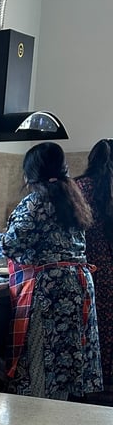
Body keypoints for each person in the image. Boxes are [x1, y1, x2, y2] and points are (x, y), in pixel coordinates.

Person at [0, 141, 102, 400]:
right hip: (78, 285)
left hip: (50, 290)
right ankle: (57, 418)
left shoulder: (37, 201)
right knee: (66, 358)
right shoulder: (71, 198)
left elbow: (10, 244)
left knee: (41, 356)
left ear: (30, 172)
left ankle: (36, 421)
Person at [75, 139, 113, 388]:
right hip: (108, 263)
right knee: (107, 321)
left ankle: (88, 378)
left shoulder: (79, 187)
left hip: (85, 264)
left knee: (88, 322)